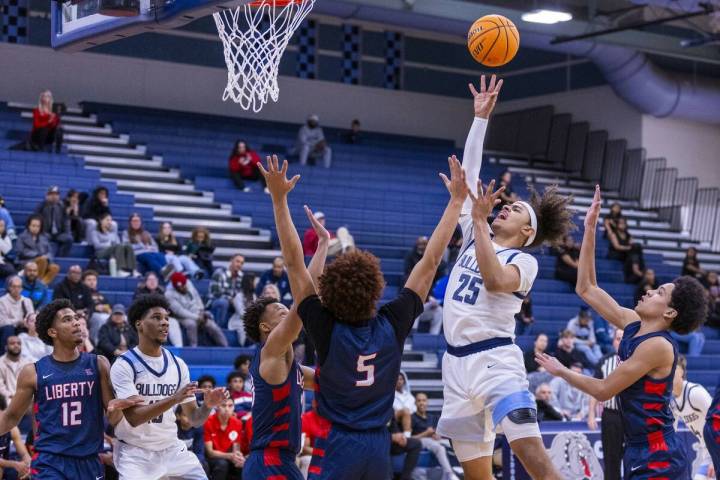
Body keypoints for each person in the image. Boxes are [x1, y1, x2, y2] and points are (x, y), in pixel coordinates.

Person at [256, 148, 464, 478]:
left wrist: (279, 201)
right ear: (375, 288)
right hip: (377, 446)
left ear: (331, 294)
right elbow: (430, 262)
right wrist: (456, 203)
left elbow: (295, 263)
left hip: (336, 443)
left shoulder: (324, 328)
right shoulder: (393, 323)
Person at [436, 75, 576, 480]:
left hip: (496, 360)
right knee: (478, 476)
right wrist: (480, 119)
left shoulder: (523, 260)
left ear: (527, 231)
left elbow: (496, 281)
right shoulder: (475, 229)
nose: (505, 208)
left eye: (514, 209)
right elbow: (470, 172)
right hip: (455, 365)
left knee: (534, 459)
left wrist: (478, 221)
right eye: (506, 205)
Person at [536, 185, 709, 479]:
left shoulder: (659, 347)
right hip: (637, 448)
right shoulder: (632, 323)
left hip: (659, 452)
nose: (649, 290)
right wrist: (589, 228)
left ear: (669, 313)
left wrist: (561, 371)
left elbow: (605, 390)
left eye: (659, 292)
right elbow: (586, 288)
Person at [240, 157, 326, 479]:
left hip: (284, 461)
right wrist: (279, 200)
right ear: (266, 327)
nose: (285, 308)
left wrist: (322, 248)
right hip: (268, 461)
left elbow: (307, 294)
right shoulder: (272, 350)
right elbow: (302, 288)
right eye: (278, 309)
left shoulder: (294, 367)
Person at [0, 299, 138, 478]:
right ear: (52, 332)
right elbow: (10, 417)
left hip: (89, 460)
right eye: (67, 319)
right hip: (50, 461)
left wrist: (118, 407)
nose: (76, 322)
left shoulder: (99, 364)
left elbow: (114, 417)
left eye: (76, 318)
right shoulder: (33, 372)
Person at [110, 294, 226, 479]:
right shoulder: (124, 364)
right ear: (139, 324)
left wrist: (207, 406)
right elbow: (133, 418)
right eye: (156, 318)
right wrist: (174, 398)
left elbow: (194, 419)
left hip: (172, 448)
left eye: (166, 318)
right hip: (135, 452)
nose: (164, 323)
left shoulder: (178, 364)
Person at [587, 327, 624, 480]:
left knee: (634, 457)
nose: (621, 342)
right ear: (613, 341)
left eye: (624, 338)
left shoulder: (638, 361)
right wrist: (590, 414)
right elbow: (595, 389)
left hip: (632, 415)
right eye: (618, 338)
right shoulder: (604, 362)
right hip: (611, 416)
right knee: (611, 458)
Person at [671, 355, 714, 480]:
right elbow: (671, 435)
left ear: (682, 372)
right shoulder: (672, 402)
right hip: (707, 451)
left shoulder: (695, 393)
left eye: (674, 369)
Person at [165, 272, 228, 347]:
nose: (185, 287)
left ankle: (226, 347)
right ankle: (193, 347)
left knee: (212, 326)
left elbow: (197, 297)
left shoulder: (188, 282)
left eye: (185, 285)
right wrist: (197, 317)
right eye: (181, 287)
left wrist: (201, 310)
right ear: (176, 287)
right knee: (191, 324)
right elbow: (180, 311)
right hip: (182, 316)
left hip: (197, 312)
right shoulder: (168, 294)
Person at [411, 392, 460, 480]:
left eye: (424, 400)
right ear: (415, 403)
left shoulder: (432, 417)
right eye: (419, 401)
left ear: (427, 402)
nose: (421, 403)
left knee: (455, 443)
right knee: (439, 448)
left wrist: (437, 435)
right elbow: (410, 439)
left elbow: (438, 431)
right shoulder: (412, 417)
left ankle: (460, 469)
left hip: (433, 440)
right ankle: (450, 474)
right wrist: (425, 433)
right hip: (420, 441)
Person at [134, 271, 184, 348]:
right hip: (144, 317)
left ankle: (178, 348)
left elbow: (167, 307)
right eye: (150, 280)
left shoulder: (161, 292)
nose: (152, 282)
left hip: (160, 317)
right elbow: (137, 308)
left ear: (157, 281)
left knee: (173, 322)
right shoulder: (139, 291)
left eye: (154, 280)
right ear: (145, 282)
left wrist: (168, 313)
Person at [203, 397, 245, 479]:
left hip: (228, 455)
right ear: (217, 407)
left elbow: (236, 448)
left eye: (230, 406)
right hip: (212, 458)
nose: (227, 409)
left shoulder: (237, 423)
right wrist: (230, 456)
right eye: (223, 405)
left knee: (242, 464)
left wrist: (238, 456)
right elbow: (210, 453)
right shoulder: (208, 422)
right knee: (222, 464)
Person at [15, 215, 60, 284]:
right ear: (29, 226)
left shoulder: (44, 237)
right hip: (26, 261)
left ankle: (41, 284)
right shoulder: (22, 237)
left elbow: (50, 252)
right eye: (33, 226)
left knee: (55, 267)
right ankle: (36, 284)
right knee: (42, 260)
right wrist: (38, 255)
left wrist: (47, 256)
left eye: (38, 226)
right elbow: (20, 252)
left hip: (44, 261)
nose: (35, 228)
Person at [122, 213, 169, 277]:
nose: (136, 223)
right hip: (137, 254)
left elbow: (155, 246)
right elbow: (127, 247)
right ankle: (162, 272)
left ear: (141, 222)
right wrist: (142, 246)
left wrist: (149, 248)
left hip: (149, 252)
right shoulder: (126, 233)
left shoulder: (146, 233)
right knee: (148, 257)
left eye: (138, 221)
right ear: (130, 222)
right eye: (134, 221)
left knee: (160, 255)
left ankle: (166, 270)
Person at [91, 212, 137, 277]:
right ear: (101, 221)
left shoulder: (113, 233)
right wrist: (109, 244)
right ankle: (119, 270)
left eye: (110, 220)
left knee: (128, 245)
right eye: (107, 220)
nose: (109, 222)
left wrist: (116, 246)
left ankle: (133, 270)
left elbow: (119, 245)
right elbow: (97, 246)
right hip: (100, 253)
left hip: (113, 252)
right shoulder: (95, 232)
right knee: (118, 246)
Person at [34, 186, 74, 258]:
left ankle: (61, 258)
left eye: (56, 194)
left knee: (69, 238)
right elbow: (36, 219)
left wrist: (67, 232)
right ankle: (46, 257)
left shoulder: (62, 206)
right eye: (51, 194)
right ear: (47, 195)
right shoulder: (41, 206)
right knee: (42, 238)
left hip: (58, 234)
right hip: (45, 233)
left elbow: (66, 220)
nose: (54, 196)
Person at [208, 254, 245, 329]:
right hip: (216, 301)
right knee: (223, 302)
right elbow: (215, 293)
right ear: (231, 261)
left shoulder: (242, 276)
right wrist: (231, 300)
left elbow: (242, 293)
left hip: (234, 303)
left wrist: (235, 301)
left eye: (241, 263)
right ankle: (220, 329)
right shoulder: (219, 273)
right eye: (237, 261)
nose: (239, 264)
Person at [0, 394, 32, 478]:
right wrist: (14, 464)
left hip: (6, 465)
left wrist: (28, 465)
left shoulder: (12, 429)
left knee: (28, 470)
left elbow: (24, 454)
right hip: (5, 465)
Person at [607, 217, 645, 283]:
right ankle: (636, 269)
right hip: (616, 253)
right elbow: (617, 246)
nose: (623, 225)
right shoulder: (613, 234)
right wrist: (629, 248)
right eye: (621, 223)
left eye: (624, 223)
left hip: (625, 253)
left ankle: (636, 267)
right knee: (634, 252)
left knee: (637, 247)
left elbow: (631, 244)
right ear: (617, 224)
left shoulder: (628, 235)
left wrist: (631, 245)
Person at [176, 406, 209, 476]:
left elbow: (199, 452)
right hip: (176, 459)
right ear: (178, 416)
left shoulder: (198, 427)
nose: (190, 419)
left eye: (192, 416)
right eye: (185, 415)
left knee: (204, 465)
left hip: (192, 458)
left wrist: (196, 462)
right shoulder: (173, 428)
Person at [0, 277, 33, 346]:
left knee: (28, 329)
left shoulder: (27, 301)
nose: (16, 289)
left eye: (19, 287)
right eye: (14, 286)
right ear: (9, 288)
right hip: (6, 330)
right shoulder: (2, 301)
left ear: (22, 288)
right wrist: (19, 321)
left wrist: (26, 322)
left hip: (22, 328)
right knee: (9, 328)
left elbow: (32, 318)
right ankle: (4, 354)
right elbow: (2, 322)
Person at [389, 414, 423, 480]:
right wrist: (391, 437)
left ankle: (405, 477)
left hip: (392, 442)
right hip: (378, 442)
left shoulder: (388, 409)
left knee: (416, 444)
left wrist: (400, 436)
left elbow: (393, 424)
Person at [83, 269, 112, 342]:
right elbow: (81, 305)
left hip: (103, 314)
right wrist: (95, 308)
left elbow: (108, 304)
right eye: (89, 280)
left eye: (94, 280)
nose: (92, 282)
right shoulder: (82, 292)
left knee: (123, 318)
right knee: (100, 318)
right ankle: (95, 342)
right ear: (83, 281)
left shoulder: (99, 294)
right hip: (90, 315)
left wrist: (108, 309)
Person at [0, 337, 30, 401]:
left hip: (26, 400)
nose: (16, 345)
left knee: (37, 406)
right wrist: (12, 396)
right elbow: (1, 387)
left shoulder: (28, 363)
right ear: (6, 347)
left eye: (18, 343)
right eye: (12, 343)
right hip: (7, 400)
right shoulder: (1, 363)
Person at [393, 372, 415, 438]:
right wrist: (405, 410)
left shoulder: (409, 395)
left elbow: (414, 408)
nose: (399, 381)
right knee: (405, 411)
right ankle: (407, 437)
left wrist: (406, 410)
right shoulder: (390, 395)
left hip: (408, 415)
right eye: (397, 379)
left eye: (401, 379)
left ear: (404, 381)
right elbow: (395, 408)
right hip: (393, 417)